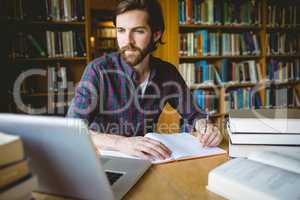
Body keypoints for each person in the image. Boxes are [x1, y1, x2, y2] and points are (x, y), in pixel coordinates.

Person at [67, 0, 223, 161]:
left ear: (156, 34)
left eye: (138, 31)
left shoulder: (167, 73)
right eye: (121, 30)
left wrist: (206, 128)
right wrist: (121, 143)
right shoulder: (97, 70)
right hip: (100, 158)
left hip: (144, 160)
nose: (127, 41)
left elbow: (195, 114)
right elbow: (71, 129)